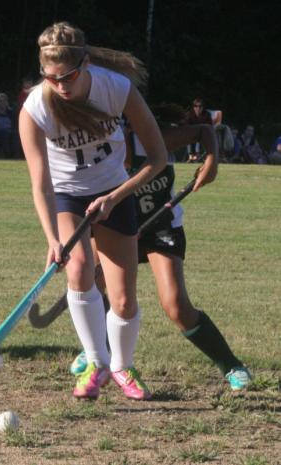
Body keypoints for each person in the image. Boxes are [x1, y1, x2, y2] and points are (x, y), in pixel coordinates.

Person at [19, 21, 176, 401]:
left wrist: (115, 196)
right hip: (68, 195)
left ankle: (122, 366)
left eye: (68, 76)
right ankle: (96, 362)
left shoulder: (117, 89)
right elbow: (40, 183)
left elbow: (156, 159)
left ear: (85, 64)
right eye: (51, 77)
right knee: (78, 268)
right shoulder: (35, 108)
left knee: (123, 299)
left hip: (115, 193)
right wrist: (52, 239)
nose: (61, 86)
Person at [71, 114, 252, 392]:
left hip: (159, 229)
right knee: (90, 282)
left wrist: (212, 160)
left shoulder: (151, 138)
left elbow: (204, 131)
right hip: (116, 228)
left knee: (176, 304)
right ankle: (98, 349)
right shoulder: (96, 155)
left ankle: (231, 365)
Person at [0, 92, 19, 157]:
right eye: (0, 101)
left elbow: (15, 124)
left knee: (15, 134)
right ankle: (7, 154)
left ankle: (15, 154)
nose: (2, 103)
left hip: (10, 131)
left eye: (4, 101)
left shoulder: (11, 112)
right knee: (4, 134)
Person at [185, 97, 213, 162]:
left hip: (203, 134)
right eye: (195, 106)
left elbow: (210, 125)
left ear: (202, 107)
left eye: (200, 106)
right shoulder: (189, 114)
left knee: (198, 140)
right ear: (193, 107)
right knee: (188, 139)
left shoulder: (207, 114)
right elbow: (186, 124)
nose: (198, 108)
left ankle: (197, 156)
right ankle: (190, 156)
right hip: (192, 133)